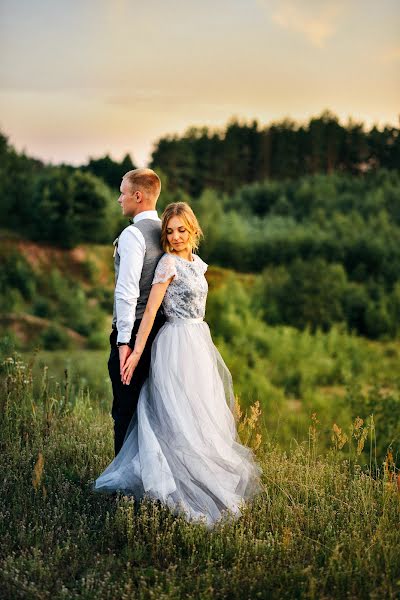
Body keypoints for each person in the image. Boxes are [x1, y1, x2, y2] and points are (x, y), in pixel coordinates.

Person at [94, 202, 262, 527]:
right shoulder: (167, 263)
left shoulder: (198, 264)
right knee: (176, 416)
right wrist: (135, 351)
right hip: (174, 344)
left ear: (193, 229)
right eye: (169, 231)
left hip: (198, 342)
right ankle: (172, 488)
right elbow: (151, 313)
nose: (175, 236)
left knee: (202, 415)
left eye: (181, 230)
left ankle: (201, 480)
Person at [109, 168, 165, 457]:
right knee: (156, 411)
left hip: (133, 331)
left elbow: (127, 292)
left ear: (138, 196)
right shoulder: (166, 232)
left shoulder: (133, 234)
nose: (119, 199)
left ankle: (124, 484)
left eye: (122, 192)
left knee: (125, 411)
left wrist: (123, 342)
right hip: (162, 332)